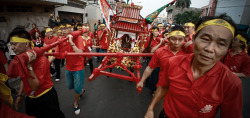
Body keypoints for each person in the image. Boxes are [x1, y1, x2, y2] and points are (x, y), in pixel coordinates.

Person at [144, 14, 242, 118]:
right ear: (194, 39)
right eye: (205, 39)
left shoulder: (231, 83)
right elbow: (163, 87)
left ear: (228, 48)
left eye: (221, 44)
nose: (210, 49)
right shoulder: (173, 62)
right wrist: (150, 109)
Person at [8, 26, 65, 118]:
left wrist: (29, 66)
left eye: (15, 44)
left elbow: (34, 86)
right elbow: (23, 78)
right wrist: (19, 95)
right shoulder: (22, 59)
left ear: (26, 44)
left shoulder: (42, 60)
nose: (12, 48)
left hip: (46, 98)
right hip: (30, 99)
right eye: (11, 44)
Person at [137, 26, 192, 91]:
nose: (177, 43)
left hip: (181, 90)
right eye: (173, 39)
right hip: (162, 87)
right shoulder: (160, 51)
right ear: (168, 39)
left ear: (184, 39)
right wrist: (141, 81)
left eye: (180, 40)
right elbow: (150, 68)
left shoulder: (189, 50)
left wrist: (194, 42)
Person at [54, 24, 84, 115]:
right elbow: (56, 54)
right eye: (62, 28)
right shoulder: (62, 39)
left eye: (65, 28)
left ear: (71, 28)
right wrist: (47, 63)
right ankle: (81, 91)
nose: (63, 30)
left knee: (77, 88)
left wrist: (71, 41)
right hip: (68, 67)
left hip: (78, 67)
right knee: (71, 86)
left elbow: (80, 53)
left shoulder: (78, 37)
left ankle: (76, 103)